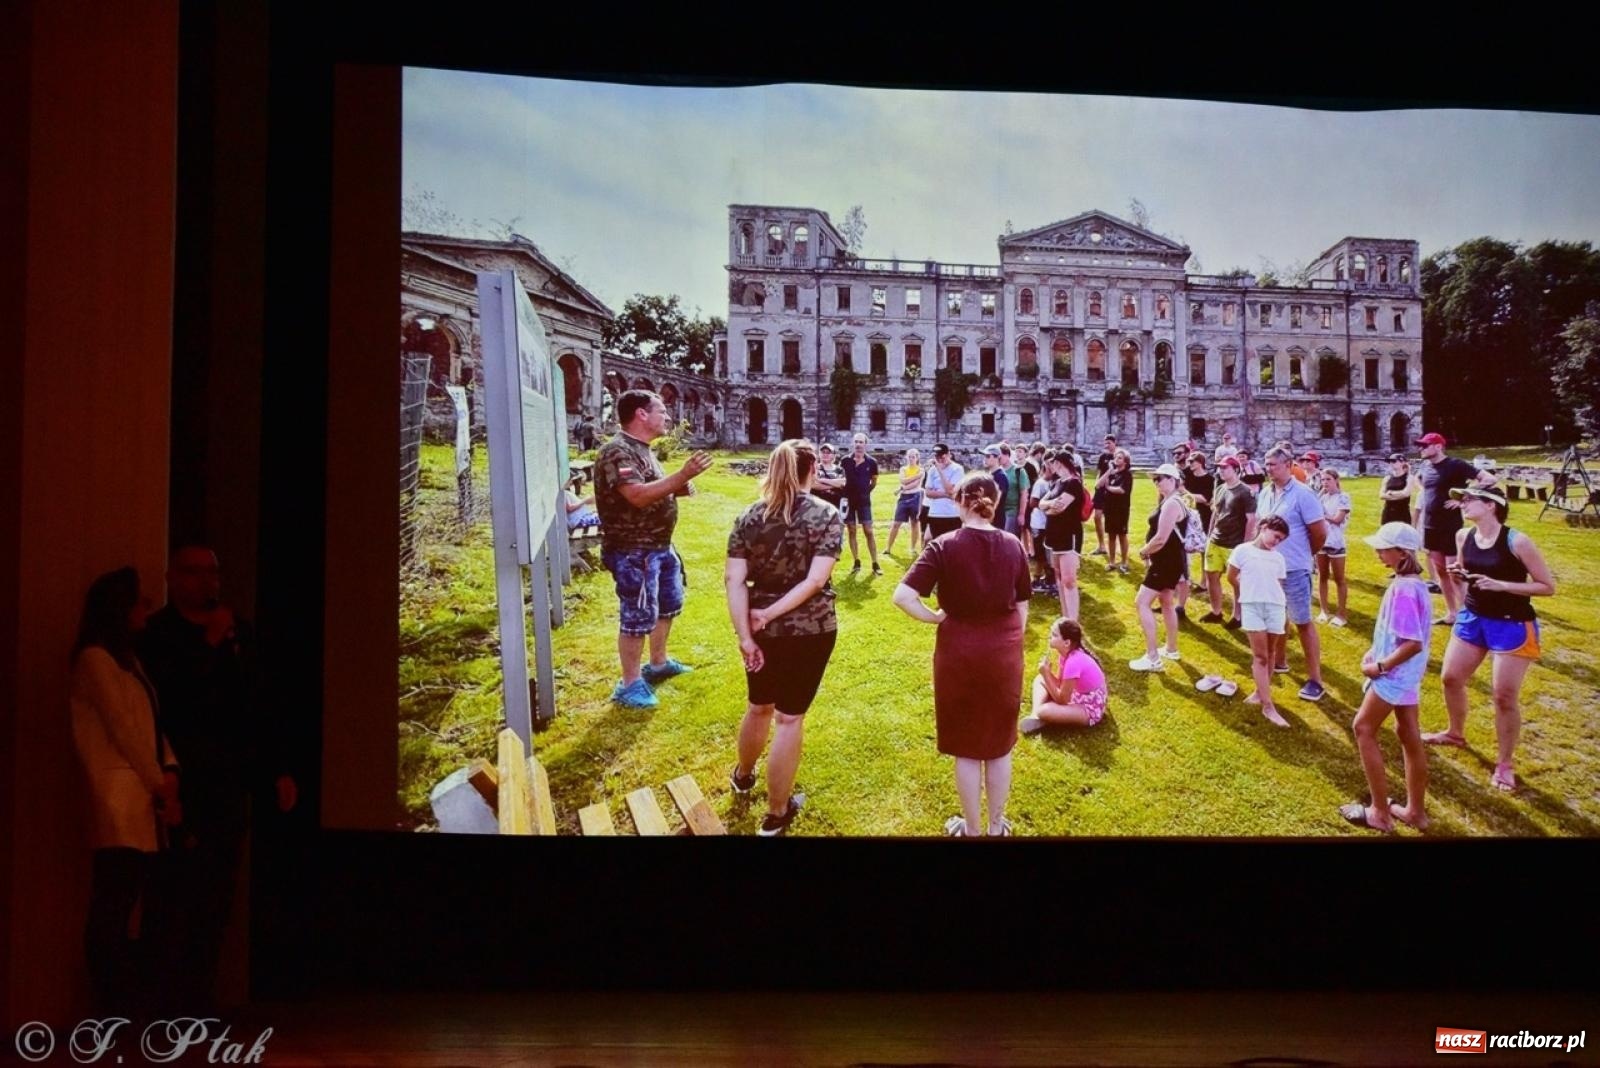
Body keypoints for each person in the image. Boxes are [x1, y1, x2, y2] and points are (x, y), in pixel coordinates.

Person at [137, 545, 298, 1011]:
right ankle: (161, 1005)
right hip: (180, 785)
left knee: (216, 899)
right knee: (172, 897)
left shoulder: (237, 632)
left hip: (229, 785)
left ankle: (199, 1002)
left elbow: (257, 704)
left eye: (214, 571)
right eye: (196, 572)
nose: (208, 581)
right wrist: (207, 644)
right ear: (171, 577)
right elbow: (169, 705)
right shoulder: (157, 635)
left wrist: (278, 769)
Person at [894, 473, 1032, 837]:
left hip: (959, 653)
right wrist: (1013, 642)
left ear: (959, 501)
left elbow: (903, 596)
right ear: (996, 501)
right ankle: (996, 827)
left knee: (968, 748)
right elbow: (1022, 605)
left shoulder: (944, 545)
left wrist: (935, 616)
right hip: (1004, 652)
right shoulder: (1013, 545)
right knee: (1000, 746)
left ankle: (972, 830)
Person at [71, 566, 181, 1016]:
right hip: (119, 794)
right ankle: (110, 1005)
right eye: (140, 602)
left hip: (141, 790)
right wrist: (161, 782)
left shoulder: (127, 662)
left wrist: (170, 770)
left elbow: (149, 726)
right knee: (114, 903)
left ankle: (124, 1002)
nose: (147, 610)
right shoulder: (95, 660)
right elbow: (123, 729)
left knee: (126, 901)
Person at [725, 440, 843, 837]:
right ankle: (776, 813)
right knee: (788, 718)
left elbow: (734, 580)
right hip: (810, 631)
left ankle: (743, 776)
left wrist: (747, 634)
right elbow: (815, 581)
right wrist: (768, 616)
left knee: (758, 705)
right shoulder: (825, 514)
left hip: (761, 630)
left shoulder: (748, 516)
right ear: (811, 470)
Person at [1423, 486, 1557, 793]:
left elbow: (1547, 587)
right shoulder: (1463, 537)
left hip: (1511, 624)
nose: (1462, 503)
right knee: (1450, 678)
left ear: (1491, 505)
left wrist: (1502, 585)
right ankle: (1455, 733)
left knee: (1503, 697)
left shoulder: (1517, 541)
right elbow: (1464, 577)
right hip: (1474, 617)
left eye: (1469, 499)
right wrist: (1459, 578)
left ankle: (1505, 764)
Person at [593, 389, 714, 709]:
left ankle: (658, 663)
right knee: (636, 616)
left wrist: (679, 487)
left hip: (659, 547)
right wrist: (682, 475)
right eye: (661, 411)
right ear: (641, 414)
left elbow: (653, 488)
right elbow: (637, 496)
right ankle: (630, 683)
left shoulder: (645, 451)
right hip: (634, 551)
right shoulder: (617, 451)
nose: (669, 417)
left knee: (666, 606)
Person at [1341, 522, 1433, 832]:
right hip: (1407, 676)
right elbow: (1401, 637)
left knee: (1363, 727)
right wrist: (1375, 650)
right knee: (1409, 734)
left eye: (1384, 547)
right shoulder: (1415, 584)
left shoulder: (1403, 589)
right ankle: (1415, 813)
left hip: (1394, 675)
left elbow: (1411, 642)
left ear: (1402, 552)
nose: (1378, 551)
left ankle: (1380, 812)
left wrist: (1378, 667)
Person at [1256, 446, 1329, 701]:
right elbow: (1261, 529)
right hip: (1270, 569)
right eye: (1266, 464)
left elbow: (1320, 532)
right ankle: (1280, 662)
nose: (1268, 469)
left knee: (1302, 621)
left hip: (1295, 569)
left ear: (1288, 465)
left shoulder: (1303, 494)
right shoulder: (1265, 494)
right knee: (1276, 618)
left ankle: (1315, 680)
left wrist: (1305, 555)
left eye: (1273, 464)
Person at [1227, 516, 1291, 727]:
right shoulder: (1242, 551)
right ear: (1264, 528)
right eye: (1275, 536)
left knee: (1271, 653)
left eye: (1280, 539)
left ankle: (1258, 692)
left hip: (1275, 607)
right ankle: (1268, 706)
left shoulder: (1278, 558)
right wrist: (1247, 590)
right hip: (1252, 606)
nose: (1276, 541)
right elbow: (1231, 576)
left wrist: (1280, 607)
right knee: (1260, 656)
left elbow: (1278, 584)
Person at [1128, 463, 1189, 672]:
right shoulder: (1170, 501)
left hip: (1166, 561)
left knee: (1142, 602)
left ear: (1173, 480)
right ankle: (1171, 648)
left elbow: (1161, 538)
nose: (1156, 482)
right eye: (1155, 479)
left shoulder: (1172, 503)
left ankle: (1152, 657)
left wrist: (1145, 551)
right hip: (1169, 561)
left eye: (1160, 478)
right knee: (1166, 602)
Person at [1414, 431, 1478, 626]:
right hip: (1430, 525)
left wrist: (1464, 498)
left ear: (1439, 446)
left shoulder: (1455, 465)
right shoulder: (1425, 467)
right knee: (1441, 571)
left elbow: (1487, 479)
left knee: (1455, 573)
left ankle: (1469, 615)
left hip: (1450, 526)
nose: (1421, 449)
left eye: (1425, 445)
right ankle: (1452, 613)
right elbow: (1419, 480)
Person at [1020, 618, 1108, 734]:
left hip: (1089, 706)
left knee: (1044, 711)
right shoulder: (1065, 655)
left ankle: (1042, 715)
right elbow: (1061, 684)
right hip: (1077, 694)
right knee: (1039, 679)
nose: (1050, 636)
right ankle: (1036, 715)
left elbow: (1062, 700)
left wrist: (1046, 674)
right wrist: (1046, 675)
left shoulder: (1073, 661)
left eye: (1054, 635)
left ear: (1066, 642)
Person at [1202, 455, 1253, 628]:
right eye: (1219, 468)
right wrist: (1209, 536)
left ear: (1236, 470)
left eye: (1225, 468)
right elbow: (1215, 514)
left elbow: (1251, 520)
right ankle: (1216, 611)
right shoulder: (1220, 489)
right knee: (1211, 575)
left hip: (1234, 544)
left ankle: (1238, 616)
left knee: (1235, 580)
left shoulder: (1245, 492)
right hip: (1216, 540)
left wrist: (1246, 545)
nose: (1221, 471)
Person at [1037, 450, 1085, 620]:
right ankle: (1066, 617)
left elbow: (1059, 508)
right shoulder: (1057, 483)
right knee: (1059, 577)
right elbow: (1041, 503)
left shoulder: (1073, 483)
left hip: (1068, 534)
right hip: (1054, 535)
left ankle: (1073, 620)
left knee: (1069, 580)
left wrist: (1048, 507)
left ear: (1060, 463)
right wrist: (1049, 505)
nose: (1051, 466)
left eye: (1053, 463)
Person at [1177, 451, 1215, 619]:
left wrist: (1187, 492)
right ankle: (1187, 578)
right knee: (1185, 546)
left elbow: (1206, 499)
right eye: (1189, 461)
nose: (1189, 463)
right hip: (1187, 514)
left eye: (1192, 461)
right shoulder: (1188, 475)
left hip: (1203, 515)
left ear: (1200, 462)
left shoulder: (1209, 479)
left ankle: (1204, 581)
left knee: (1203, 549)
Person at [840, 432, 882, 575]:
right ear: (853, 443)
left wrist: (866, 491)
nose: (858, 445)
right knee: (851, 530)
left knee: (868, 531)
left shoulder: (872, 462)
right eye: (856, 442)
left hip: (864, 501)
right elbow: (840, 479)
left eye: (861, 442)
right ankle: (856, 561)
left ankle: (875, 563)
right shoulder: (845, 460)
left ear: (866, 444)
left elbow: (874, 481)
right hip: (848, 501)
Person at [1315, 469, 1352, 627]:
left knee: (1339, 579)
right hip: (1321, 542)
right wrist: (1319, 495)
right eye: (1323, 480)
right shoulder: (1322, 497)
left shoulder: (1343, 497)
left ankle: (1341, 614)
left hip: (1336, 542)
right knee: (1322, 576)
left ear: (1336, 480)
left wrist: (1322, 515)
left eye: (1328, 479)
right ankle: (1324, 610)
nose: (1325, 483)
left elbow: (1337, 519)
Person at [1100, 448, 1135, 573]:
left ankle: (1124, 561)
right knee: (1111, 536)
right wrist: (1109, 471)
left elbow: (1121, 490)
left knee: (1122, 535)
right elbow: (1099, 484)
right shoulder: (1113, 473)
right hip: (1110, 509)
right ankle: (1112, 561)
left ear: (1125, 461)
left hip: (1121, 509)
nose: (1116, 459)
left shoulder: (1127, 475)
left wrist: (1109, 487)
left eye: (1120, 457)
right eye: (1116, 457)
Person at [884, 448, 924, 557]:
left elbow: (915, 485)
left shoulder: (920, 470)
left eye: (913, 457)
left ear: (917, 458)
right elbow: (903, 481)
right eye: (909, 457)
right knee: (896, 523)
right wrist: (916, 477)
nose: (911, 459)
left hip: (916, 497)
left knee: (914, 523)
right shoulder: (904, 469)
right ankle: (888, 548)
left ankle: (912, 548)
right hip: (904, 497)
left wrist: (903, 487)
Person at [922, 442, 965, 541]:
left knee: (951, 544)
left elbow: (950, 490)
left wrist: (940, 471)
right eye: (937, 457)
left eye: (942, 457)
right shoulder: (932, 470)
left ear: (948, 455)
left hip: (952, 513)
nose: (940, 459)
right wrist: (945, 495)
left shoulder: (957, 469)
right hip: (935, 512)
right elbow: (928, 492)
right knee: (935, 542)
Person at [1378, 452, 1421, 528]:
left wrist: (1390, 493)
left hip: (1402, 513)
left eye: (1394, 461)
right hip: (1388, 513)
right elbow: (1381, 495)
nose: (1391, 463)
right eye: (1390, 461)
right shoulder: (1387, 478)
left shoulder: (1409, 478)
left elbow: (1406, 494)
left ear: (1402, 462)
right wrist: (1398, 495)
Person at [1090, 434, 1117, 555]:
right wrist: (1096, 485)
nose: (1106, 445)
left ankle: (1113, 546)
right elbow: (1099, 472)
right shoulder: (1103, 457)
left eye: (1109, 443)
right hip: (1100, 490)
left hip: (1112, 490)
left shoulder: (1119, 457)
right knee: (1097, 517)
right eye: (1105, 443)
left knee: (1111, 520)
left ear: (1114, 443)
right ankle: (1101, 545)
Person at [1000, 442, 1031, 538]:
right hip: (998, 512)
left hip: (1012, 511)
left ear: (1007, 455)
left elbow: (1024, 494)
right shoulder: (997, 471)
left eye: (999, 456)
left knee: (1008, 539)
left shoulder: (1018, 471)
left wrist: (1021, 514)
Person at [982, 444, 1012, 533]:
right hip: (987, 518)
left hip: (995, 519)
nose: (985, 459)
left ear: (996, 458)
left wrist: (987, 518)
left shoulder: (1001, 476)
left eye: (988, 456)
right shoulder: (989, 474)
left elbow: (996, 500)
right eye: (984, 456)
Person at [812, 443, 846, 513]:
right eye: (823, 452)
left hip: (836, 505)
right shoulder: (814, 468)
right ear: (819, 454)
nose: (825, 454)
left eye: (828, 452)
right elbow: (814, 485)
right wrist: (835, 485)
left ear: (833, 455)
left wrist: (822, 480)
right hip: (818, 506)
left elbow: (843, 483)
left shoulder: (840, 470)